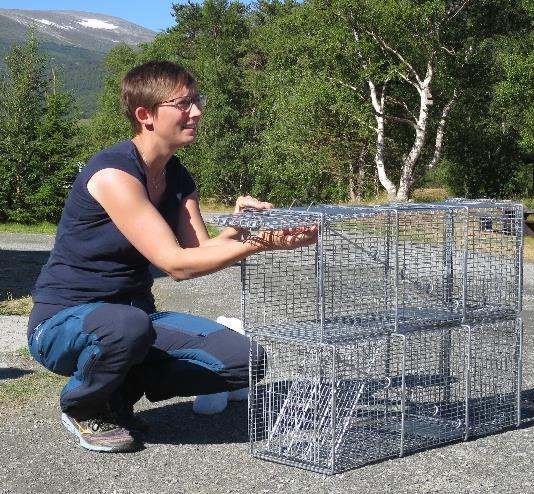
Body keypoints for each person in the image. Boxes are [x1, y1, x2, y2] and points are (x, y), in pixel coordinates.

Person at [27, 60, 317, 453]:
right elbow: (175, 265)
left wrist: (240, 228)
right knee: (126, 327)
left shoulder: (177, 177)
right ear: (145, 115)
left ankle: (119, 391)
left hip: (135, 318)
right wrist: (261, 243)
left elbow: (196, 253)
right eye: (183, 104)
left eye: (196, 101)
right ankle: (84, 404)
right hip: (64, 321)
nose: (196, 112)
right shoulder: (114, 174)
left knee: (245, 361)